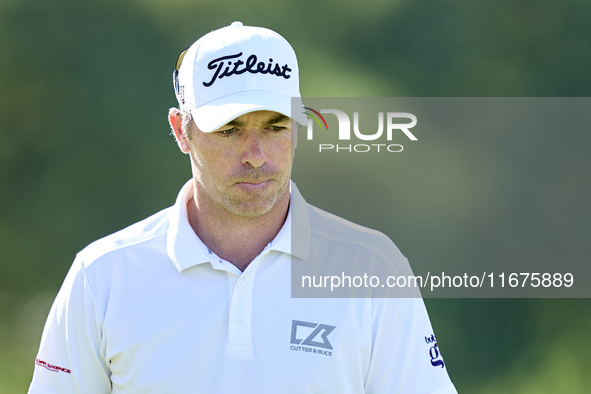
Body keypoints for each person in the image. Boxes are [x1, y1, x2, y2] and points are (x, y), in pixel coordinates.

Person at [28, 22, 457, 393]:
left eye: (275, 127)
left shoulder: (371, 267)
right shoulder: (102, 275)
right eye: (230, 130)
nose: (256, 154)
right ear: (182, 130)